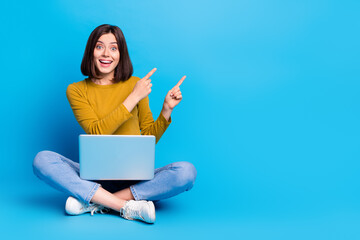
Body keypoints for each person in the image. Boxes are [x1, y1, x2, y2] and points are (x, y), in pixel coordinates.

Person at [32, 24, 197, 224]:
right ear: (91, 51)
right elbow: (96, 132)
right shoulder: (76, 90)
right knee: (42, 160)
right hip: (93, 178)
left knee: (186, 172)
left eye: (113, 48)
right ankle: (125, 207)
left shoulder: (133, 83)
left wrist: (166, 110)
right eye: (99, 46)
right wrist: (133, 97)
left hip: (134, 179)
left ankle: (95, 202)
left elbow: (147, 139)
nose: (106, 54)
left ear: (121, 54)